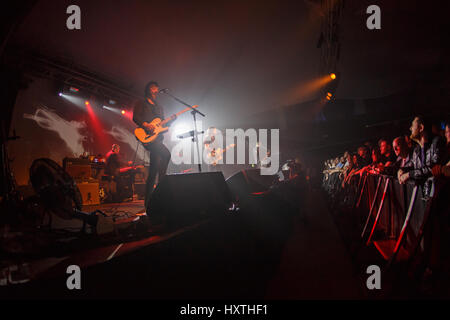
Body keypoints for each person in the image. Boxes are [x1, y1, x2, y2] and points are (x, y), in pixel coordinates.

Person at [133, 81, 175, 211]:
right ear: (148, 90)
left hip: (158, 139)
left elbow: (162, 126)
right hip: (148, 138)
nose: (156, 91)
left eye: (157, 89)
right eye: (153, 89)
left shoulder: (159, 107)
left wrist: (171, 122)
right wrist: (146, 125)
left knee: (153, 171)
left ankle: (148, 203)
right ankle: (162, 182)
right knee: (167, 154)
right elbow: (135, 117)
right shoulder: (141, 103)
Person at [397, 116, 446, 198]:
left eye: (413, 125)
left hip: (437, 196)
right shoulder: (416, 149)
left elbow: (432, 168)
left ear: (421, 128)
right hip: (422, 195)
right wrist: (402, 170)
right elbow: (411, 166)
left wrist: (409, 174)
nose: (410, 128)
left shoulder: (436, 142)